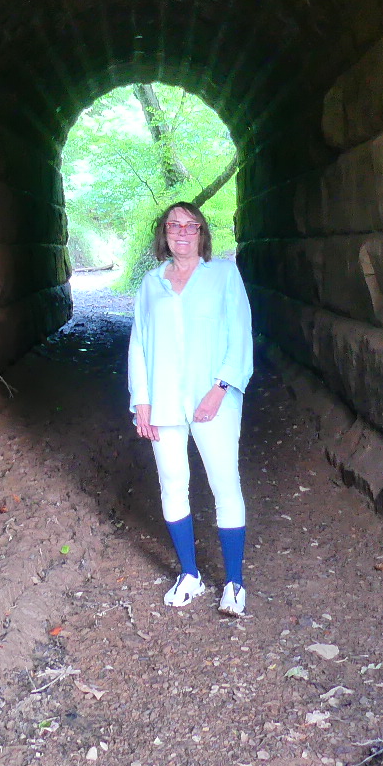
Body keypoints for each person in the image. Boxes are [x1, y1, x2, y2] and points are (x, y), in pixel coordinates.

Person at [127, 201, 255, 617]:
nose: (181, 232)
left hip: (214, 399)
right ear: (163, 233)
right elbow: (139, 343)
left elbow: (241, 335)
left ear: (202, 232)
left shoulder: (223, 275)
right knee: (172, 483)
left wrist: (220, 388)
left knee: (224, 483)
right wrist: (141, 401)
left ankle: (234, 582)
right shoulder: (151, 284)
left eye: (190, 225)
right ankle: (190, 575)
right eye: (173, 225)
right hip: (163, 400)